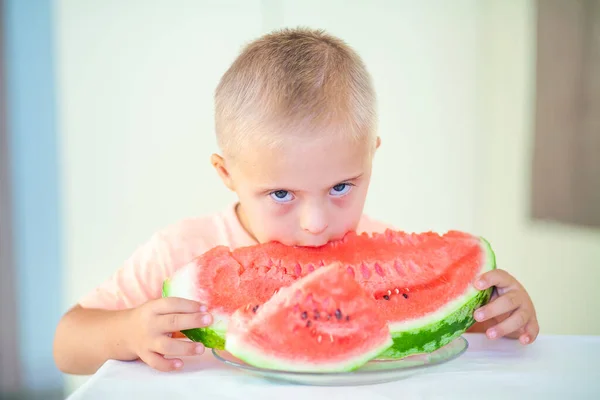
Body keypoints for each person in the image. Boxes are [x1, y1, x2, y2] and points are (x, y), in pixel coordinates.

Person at [52, 27, 539, 375]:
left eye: (342, 187)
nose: (316, 223)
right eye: (281, 194)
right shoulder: (180, 251)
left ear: (371, 157)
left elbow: (432, 337)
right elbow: (66, 345)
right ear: (227, 174)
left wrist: (493, 318)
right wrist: (129, 332)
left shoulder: (384, 261)